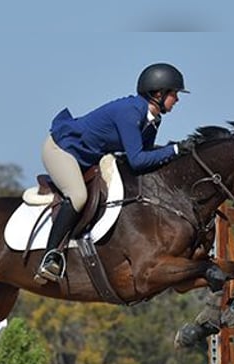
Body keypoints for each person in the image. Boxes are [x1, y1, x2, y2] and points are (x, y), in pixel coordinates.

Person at [35, 62, 190, 283]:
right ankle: (50, 256)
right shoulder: (131, 112)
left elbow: (144, 157)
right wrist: (175, 149)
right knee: (78, 196)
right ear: (158, 93)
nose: (177, 99)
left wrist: (176, 153)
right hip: (61, 149)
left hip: (88, 159)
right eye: (174, 94)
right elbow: (137, 160)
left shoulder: (153, 120)